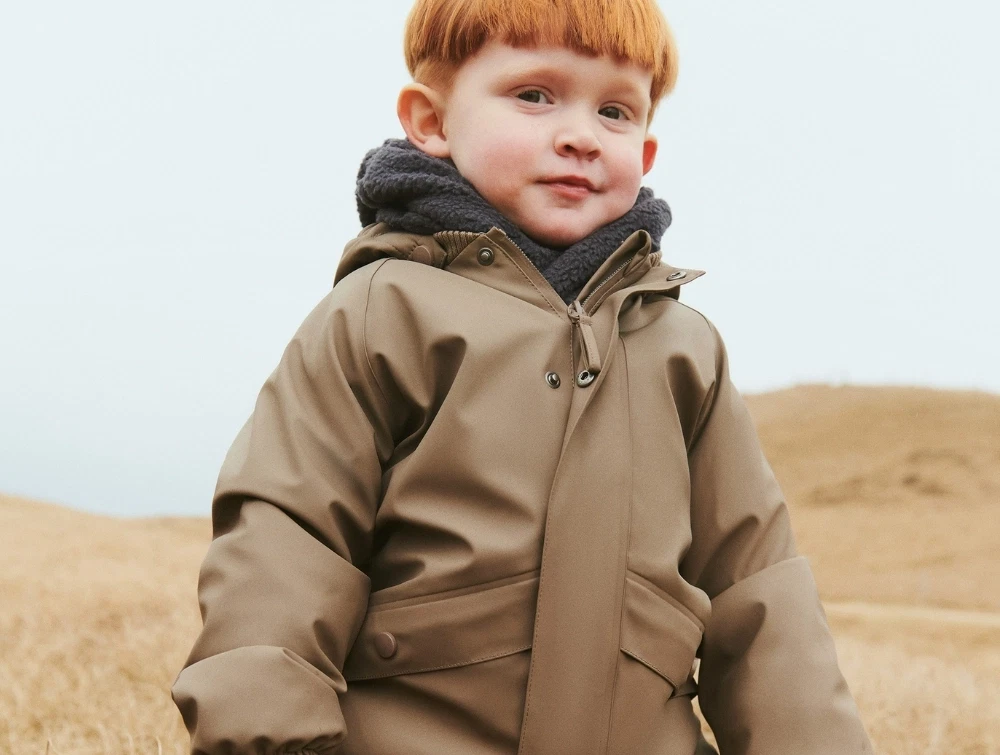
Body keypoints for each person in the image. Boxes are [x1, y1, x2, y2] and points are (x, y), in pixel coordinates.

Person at [171, 0, 875, 753]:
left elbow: (758, 588)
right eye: (534, 95)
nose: (580, 135)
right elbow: (288, 536)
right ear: (432, 121)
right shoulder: (383, 313)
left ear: (646, 151)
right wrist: (271, 735)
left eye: (614, 111)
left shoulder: (684, 351)